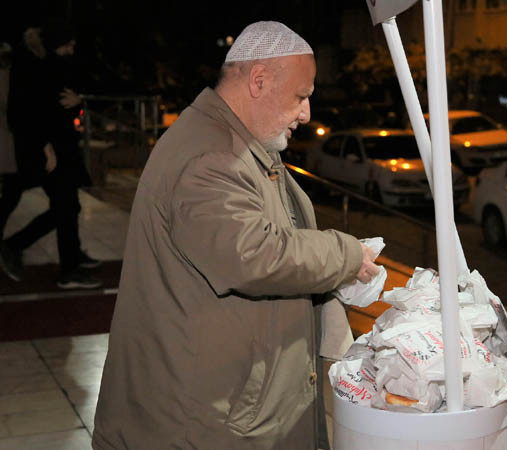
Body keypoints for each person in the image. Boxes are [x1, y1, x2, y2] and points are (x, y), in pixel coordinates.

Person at [92, 21, 380, 450]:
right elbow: (253, 254)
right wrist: (345, 255)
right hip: (201, 421)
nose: (306, 114)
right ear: (259, 81)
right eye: (301, 96)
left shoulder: (241, 143)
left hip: (224, 405)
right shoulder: (212, 157)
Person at [0, 20, 101, 288]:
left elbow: (56, 103)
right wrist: (45, 147)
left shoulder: (48, 63)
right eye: (68, 45)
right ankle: (62, 266)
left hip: (57, 146)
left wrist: (78, 101)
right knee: (65, 207)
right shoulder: (34, 65)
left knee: (67, 206)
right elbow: (28, 111)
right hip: (49, 150)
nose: (71, 50)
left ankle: (67, 258)